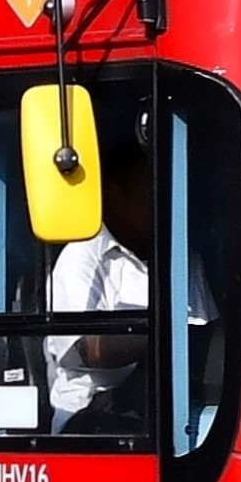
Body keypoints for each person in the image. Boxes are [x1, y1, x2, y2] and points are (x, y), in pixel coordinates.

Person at [41, 153, 153, 432]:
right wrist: (166, 338)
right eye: (149, 191)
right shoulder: (83, 256)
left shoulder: (182, 256)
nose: (160, 202)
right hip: (93, 414)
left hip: (167, 401)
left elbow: (204, 335)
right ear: (116, 194)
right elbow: (85, 350)